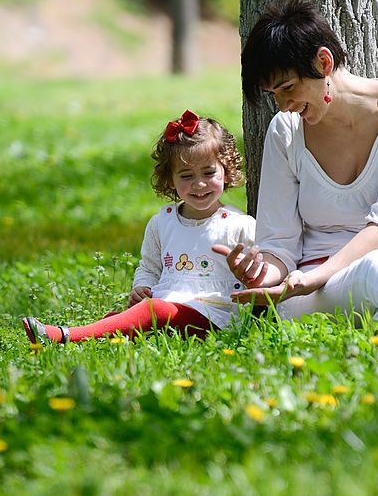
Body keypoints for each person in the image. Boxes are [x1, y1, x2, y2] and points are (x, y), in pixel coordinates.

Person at [212, 0, 378, 323]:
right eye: (274, 95)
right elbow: (279, 244)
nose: (284, 105)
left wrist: (315, 277)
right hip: (315, 292)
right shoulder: (286, 131)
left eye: (288, 87)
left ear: (323, 62)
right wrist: (259, 273)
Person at [23, 110, 256, 344]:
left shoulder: (238, 224)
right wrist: (142, 286)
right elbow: (149, 267)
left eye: (209, 172)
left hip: (215, 316)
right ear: (170, 179)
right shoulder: (162, 222)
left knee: (153, 312)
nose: (199, 183)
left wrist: (249, 274)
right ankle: (101, 335)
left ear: (226, 171)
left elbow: (259, 273)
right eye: (186, 176)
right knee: (120, 319)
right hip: (167, 308)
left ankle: (65, 336)